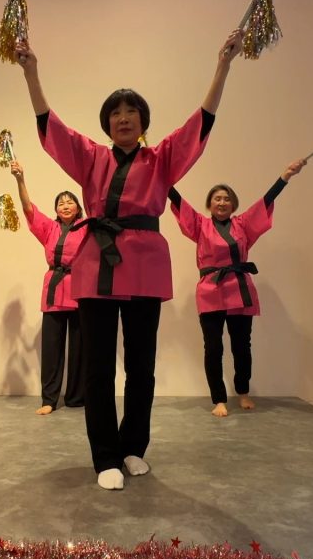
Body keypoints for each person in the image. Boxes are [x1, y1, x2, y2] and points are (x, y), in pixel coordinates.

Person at [15, 30, 243, 490]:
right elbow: (51, 129)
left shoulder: (161, 159)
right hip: (96, 265)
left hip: (145, 266)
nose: (123, 118)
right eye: (116, 112)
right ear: (107, 123)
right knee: (98, 368)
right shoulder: (90, 157)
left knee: (141, 366)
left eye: (131, 111)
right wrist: (31, 73)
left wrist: (223, 65)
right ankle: (105, 458)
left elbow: (200, 125)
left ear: (143, 122)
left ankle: (134, 446)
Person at [168, 159, 305, 417]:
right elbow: (178, 202)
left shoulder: (243, 225)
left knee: (242, 346)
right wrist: (163, 179)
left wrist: (285, 176)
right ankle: (218, 399)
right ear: (210, 204)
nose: (222, 203)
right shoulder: (200, 225)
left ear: (233, 204)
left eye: (227, 199)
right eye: (217, 199)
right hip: (210, 291)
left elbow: (265, 202)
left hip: (240, 289)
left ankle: (243, 391)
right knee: (213, 347)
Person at [10, 161, 85, 415]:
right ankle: (49, 400)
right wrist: (20, 179)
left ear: (78, 208)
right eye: (61, 203)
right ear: (56, 210)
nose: (65, 205)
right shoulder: (49, 228)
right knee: (52, 349)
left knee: (79, 348)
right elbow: (28, 209)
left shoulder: (87, 227)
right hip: (53, 290)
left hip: (80, 290)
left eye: (70, 202)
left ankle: (76, 398)